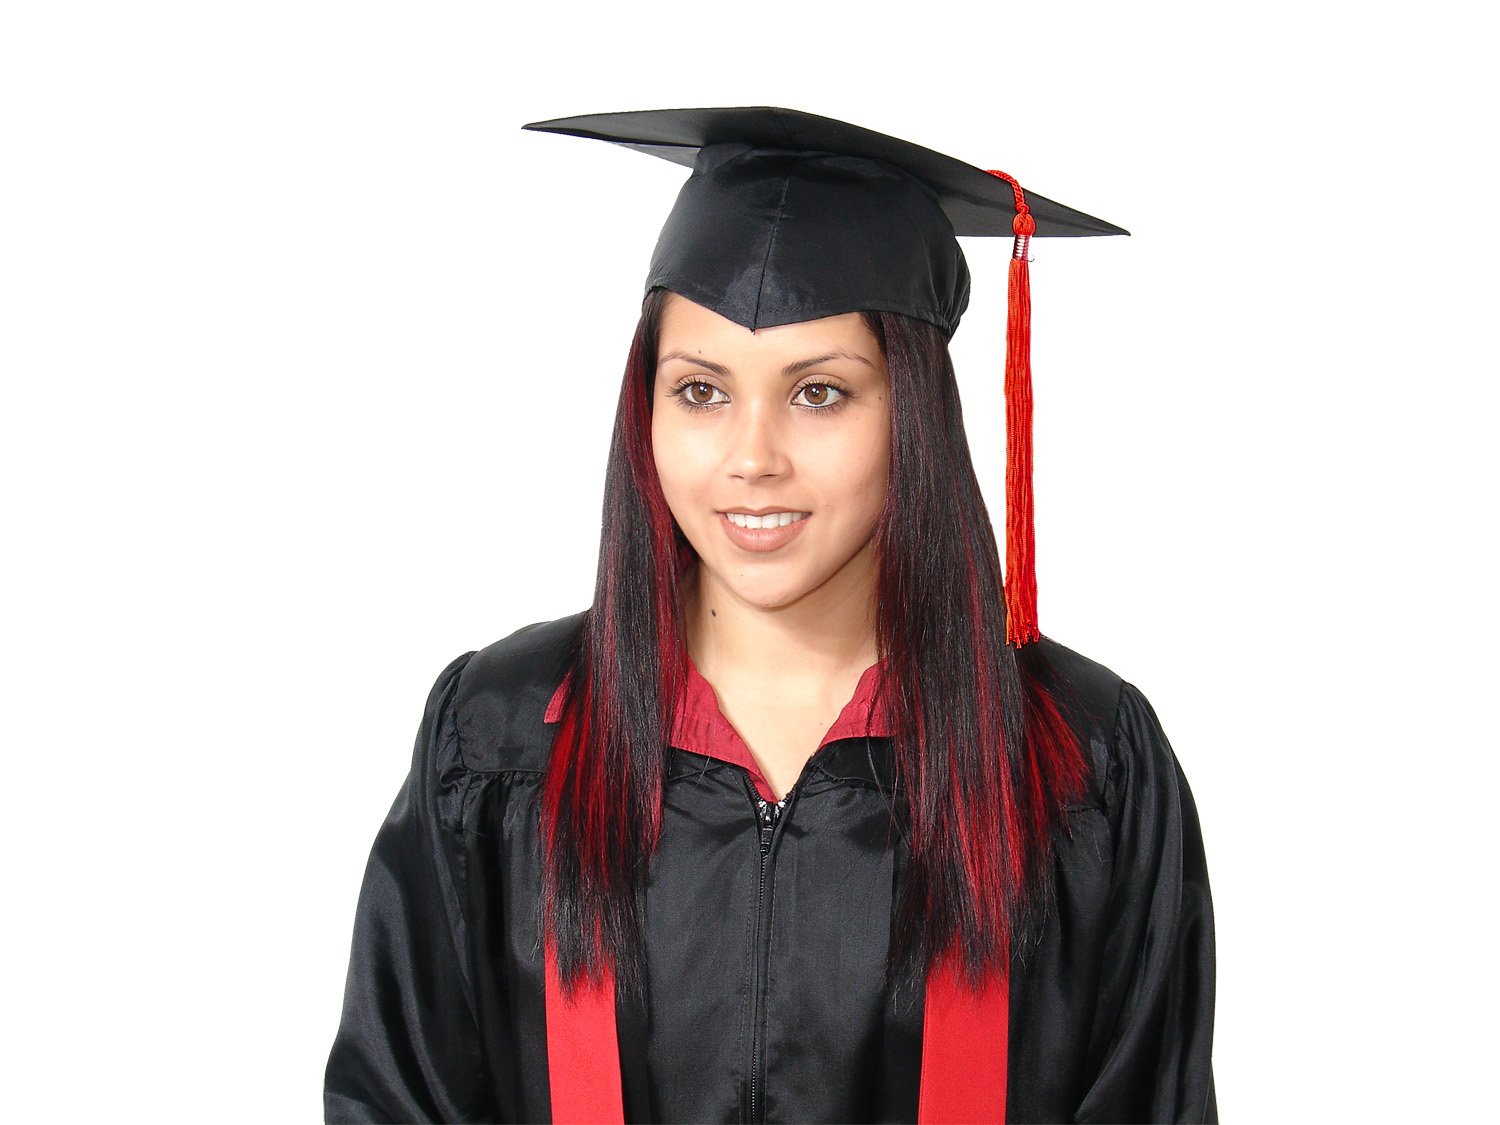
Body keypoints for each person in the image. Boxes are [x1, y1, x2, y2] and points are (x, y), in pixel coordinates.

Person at [324, 107, 1216, 1124]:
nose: (753, 456)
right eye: (700, 390)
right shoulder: (501, 738)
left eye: (820, 395)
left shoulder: (1081, 762)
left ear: (913, 413)